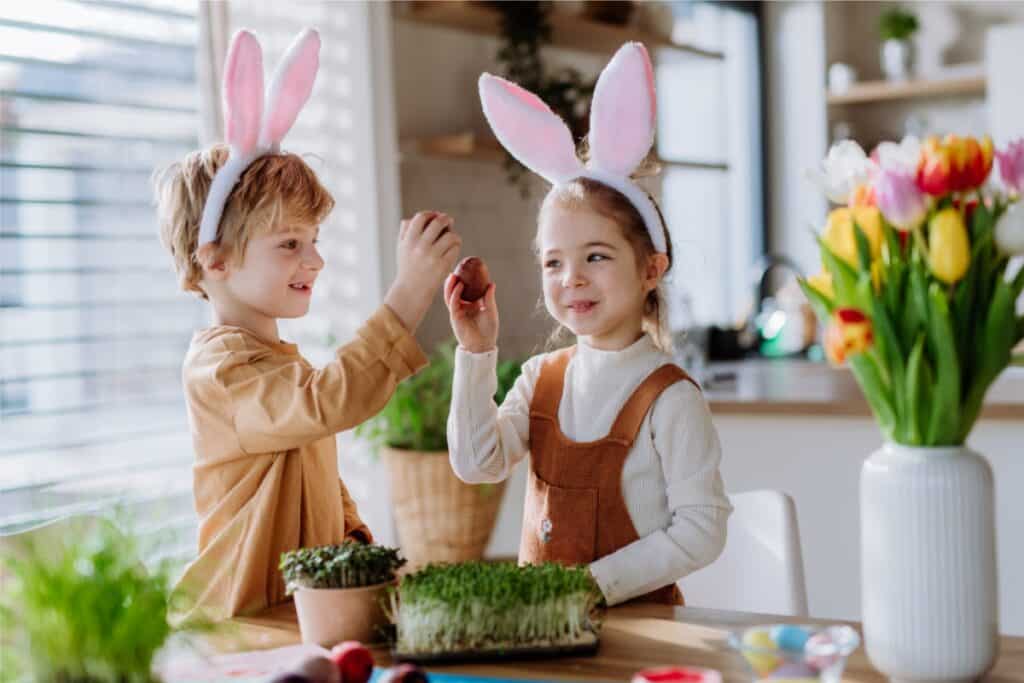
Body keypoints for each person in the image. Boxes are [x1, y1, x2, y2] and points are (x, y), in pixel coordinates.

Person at [154, 28, 460, 622]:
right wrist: (408, 295)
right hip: (241, 621)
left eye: (314, 241)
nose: (314, 260)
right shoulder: (220, 371)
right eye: (290, 242)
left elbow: (314, 472)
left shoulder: (275, 362)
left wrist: (358, 548)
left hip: (297, 614)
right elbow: (324, 406)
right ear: (213, 258)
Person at [444, 43, 731, 606]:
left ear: (652, 269)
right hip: (546, 635)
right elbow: (477, 464)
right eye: (554, 262)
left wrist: (586, 588)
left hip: (642, 636)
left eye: (596, 257)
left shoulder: (669, 398)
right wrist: (476, 353)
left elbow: (702, 531)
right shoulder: (541, 379)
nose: (571, 278)